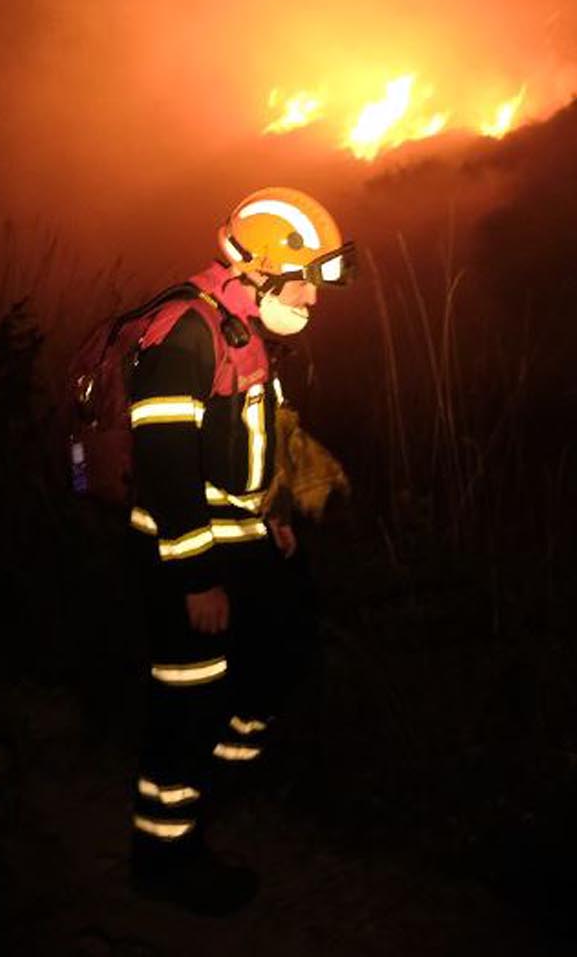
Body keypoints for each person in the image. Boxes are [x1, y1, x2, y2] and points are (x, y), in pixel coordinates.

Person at [124, 186, 353, 914]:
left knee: (283, 650)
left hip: (243, 541)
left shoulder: (241, 328)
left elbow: (245, 444)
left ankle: (213, 791)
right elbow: (163, 466)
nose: (313, 298)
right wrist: (196, 579)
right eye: (304, 279)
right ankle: (165, 855)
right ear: (257, 266)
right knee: (186, 706)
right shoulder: (186, 332)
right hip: (185, 558)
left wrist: (275, 511)